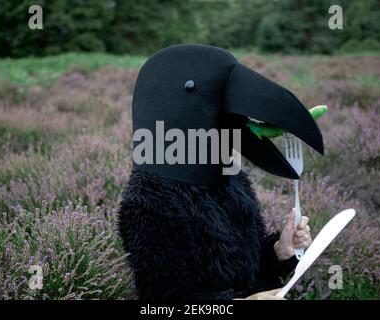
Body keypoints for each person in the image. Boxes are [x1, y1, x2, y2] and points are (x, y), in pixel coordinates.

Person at [118, 44, 322, 300]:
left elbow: (244, 265)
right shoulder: (148, 204)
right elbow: (164, 302)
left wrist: (279, 251)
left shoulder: (231, 180)